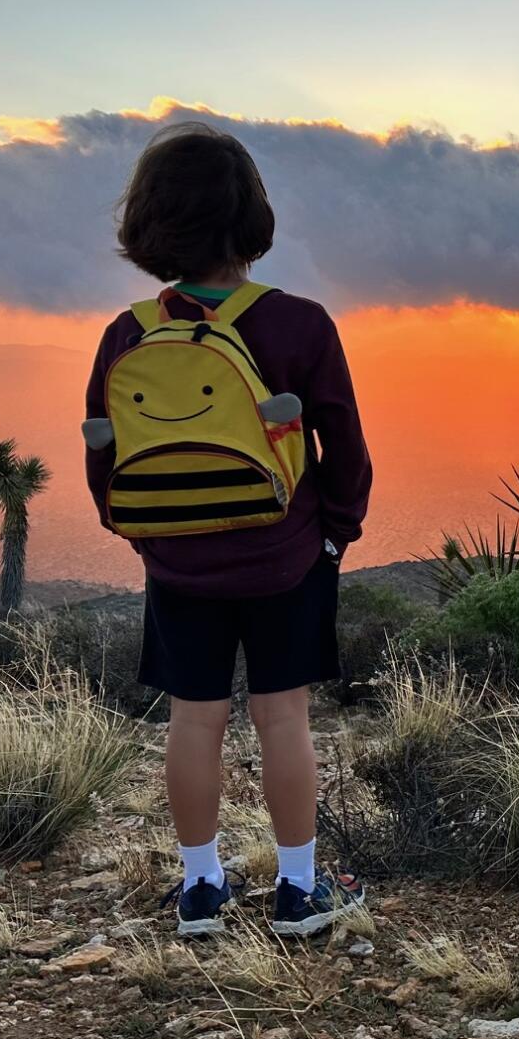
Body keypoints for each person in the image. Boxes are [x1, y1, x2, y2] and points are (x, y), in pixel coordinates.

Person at [84, 122, 373, 937]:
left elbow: (105, 456)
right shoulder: (299, 325)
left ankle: (202, 889)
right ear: (251, 217)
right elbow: (343, 447)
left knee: (194, 718)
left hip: (178, 564)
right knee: (283, 717)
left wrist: (147, 537)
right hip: (286, 557)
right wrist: (333, 534)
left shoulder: (128, 332)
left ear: (151, 222)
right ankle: (298, 889)